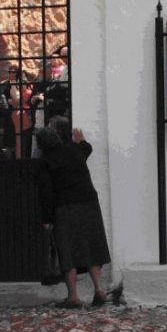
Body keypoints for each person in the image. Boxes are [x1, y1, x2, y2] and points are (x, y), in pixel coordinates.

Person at [36, 116, 110, 309]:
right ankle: (100, 290)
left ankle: (74, 296)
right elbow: (88, 148)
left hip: (64, 207)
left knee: (67, 250)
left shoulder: (45, 161)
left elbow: (46, 192)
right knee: (92, 246)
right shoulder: (74, 149)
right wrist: (81, 140)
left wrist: (47, 218)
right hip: (88, 202)